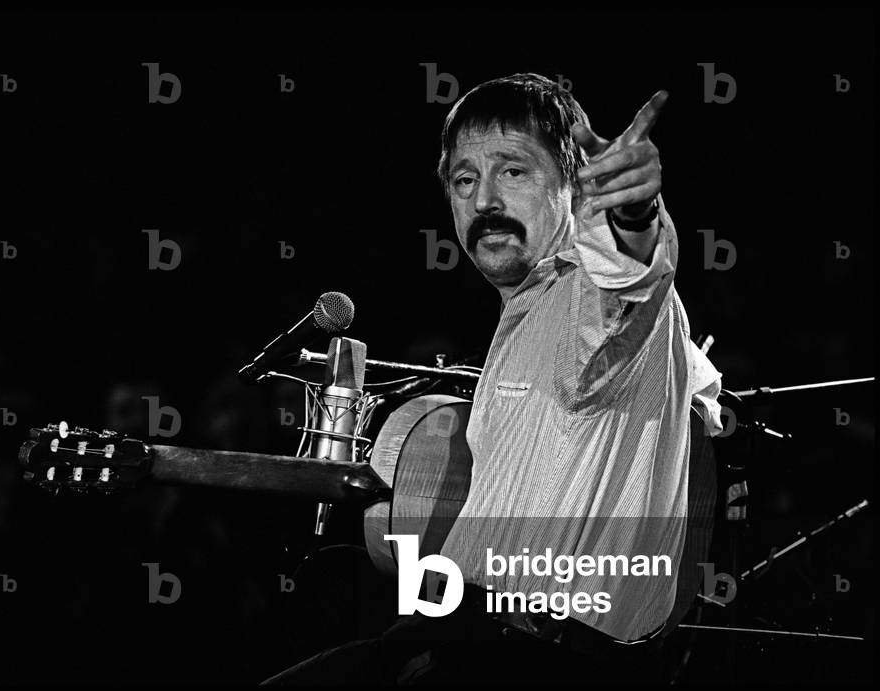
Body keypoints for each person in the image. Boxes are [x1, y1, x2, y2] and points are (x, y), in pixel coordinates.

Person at [265, 73, 722, 685]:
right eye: (464, 179)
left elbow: (629, 275)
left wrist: (632, 212)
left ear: (574, 188)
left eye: (513, 171)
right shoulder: (527, 315)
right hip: (473, 639)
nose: (484, 201)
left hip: (535, 658)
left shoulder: (588, 296)